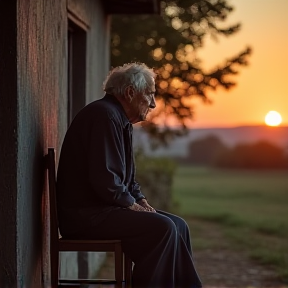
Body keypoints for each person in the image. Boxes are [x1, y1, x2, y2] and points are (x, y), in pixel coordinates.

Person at [56, 62, 202, 288]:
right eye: (150, 95)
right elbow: (105, 180)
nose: (153, 104)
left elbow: (127, 178)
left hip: (104, 211)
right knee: (162, 228)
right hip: (86, 217)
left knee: (178, 225)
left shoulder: (118, 119)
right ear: (130, 92)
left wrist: (142, 202)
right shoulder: (104, 116)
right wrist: (132, 206)